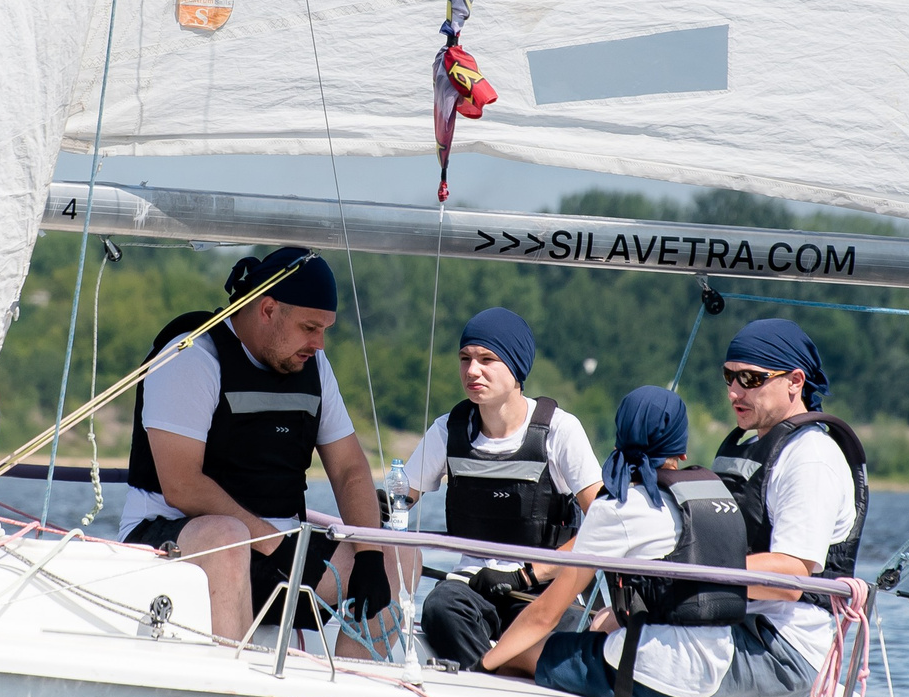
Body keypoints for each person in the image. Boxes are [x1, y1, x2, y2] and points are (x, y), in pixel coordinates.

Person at [119, 247, 395, 642]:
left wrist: (369, 554)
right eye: (309, 328)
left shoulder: (313, 366)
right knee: (228, 536)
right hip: (182, 540)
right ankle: (230, 689)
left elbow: (349, 468)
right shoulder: (192, 357)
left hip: (281, 554)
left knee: (397, 556)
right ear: (267, 309)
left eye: (324, 330)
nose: (319, 344)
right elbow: (182, 485)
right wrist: (271, 543)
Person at [479, 387, 734, 697]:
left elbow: (545, 615)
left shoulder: (618, 507)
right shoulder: (710, 502)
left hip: (647, 678)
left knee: (516, 656)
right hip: (707, 680)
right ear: (681, 452)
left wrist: (484, 665)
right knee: (600, 621)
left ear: (619, 441)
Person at [403, 308, 604, 670]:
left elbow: (605, 521)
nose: (472, 371)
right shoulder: (448, 430)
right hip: (473, 585)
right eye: (464, 359)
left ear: (516, 370)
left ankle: (498, 673)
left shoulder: (561, 431)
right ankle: (493, 679)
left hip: (542, 585)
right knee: (438, 609)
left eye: (487, 359)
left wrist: (528, 574)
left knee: (563, 632)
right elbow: (397, 500)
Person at [698, 319, 869, 697]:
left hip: (785, 654)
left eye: (751, 379)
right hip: (739, 625)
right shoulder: (760, 448)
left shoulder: (810, 458)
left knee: (623, 648)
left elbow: (789, 578)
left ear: (795, 381)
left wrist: (687, 580)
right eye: (729, 376)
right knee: (614, 626)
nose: (734, 391)